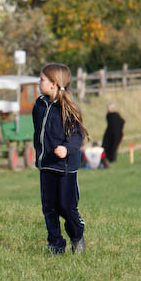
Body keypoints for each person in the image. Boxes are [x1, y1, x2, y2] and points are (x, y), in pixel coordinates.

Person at [32, 63, 88, 254]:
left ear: (54, 84)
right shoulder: (39, 104)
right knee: (49, 208)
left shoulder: (68, 108)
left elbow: (77, 137)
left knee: (66, 207)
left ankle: (77, 234)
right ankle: (56, 244)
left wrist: (66, 148)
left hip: (65, 168)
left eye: (42, 79)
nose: (39, 82)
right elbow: (38, 131)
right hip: (46, 165)